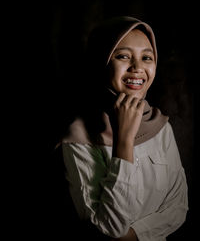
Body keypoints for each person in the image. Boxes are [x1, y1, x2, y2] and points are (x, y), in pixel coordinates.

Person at [61, 16, 188, 240]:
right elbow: (109, 227)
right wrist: (124, 140)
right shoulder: (78, 138)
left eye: (146, 57)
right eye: (123, 56)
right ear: (101, 61)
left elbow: (178, 208)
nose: (137, 68)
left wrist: (134, 236)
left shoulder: (160, 127)